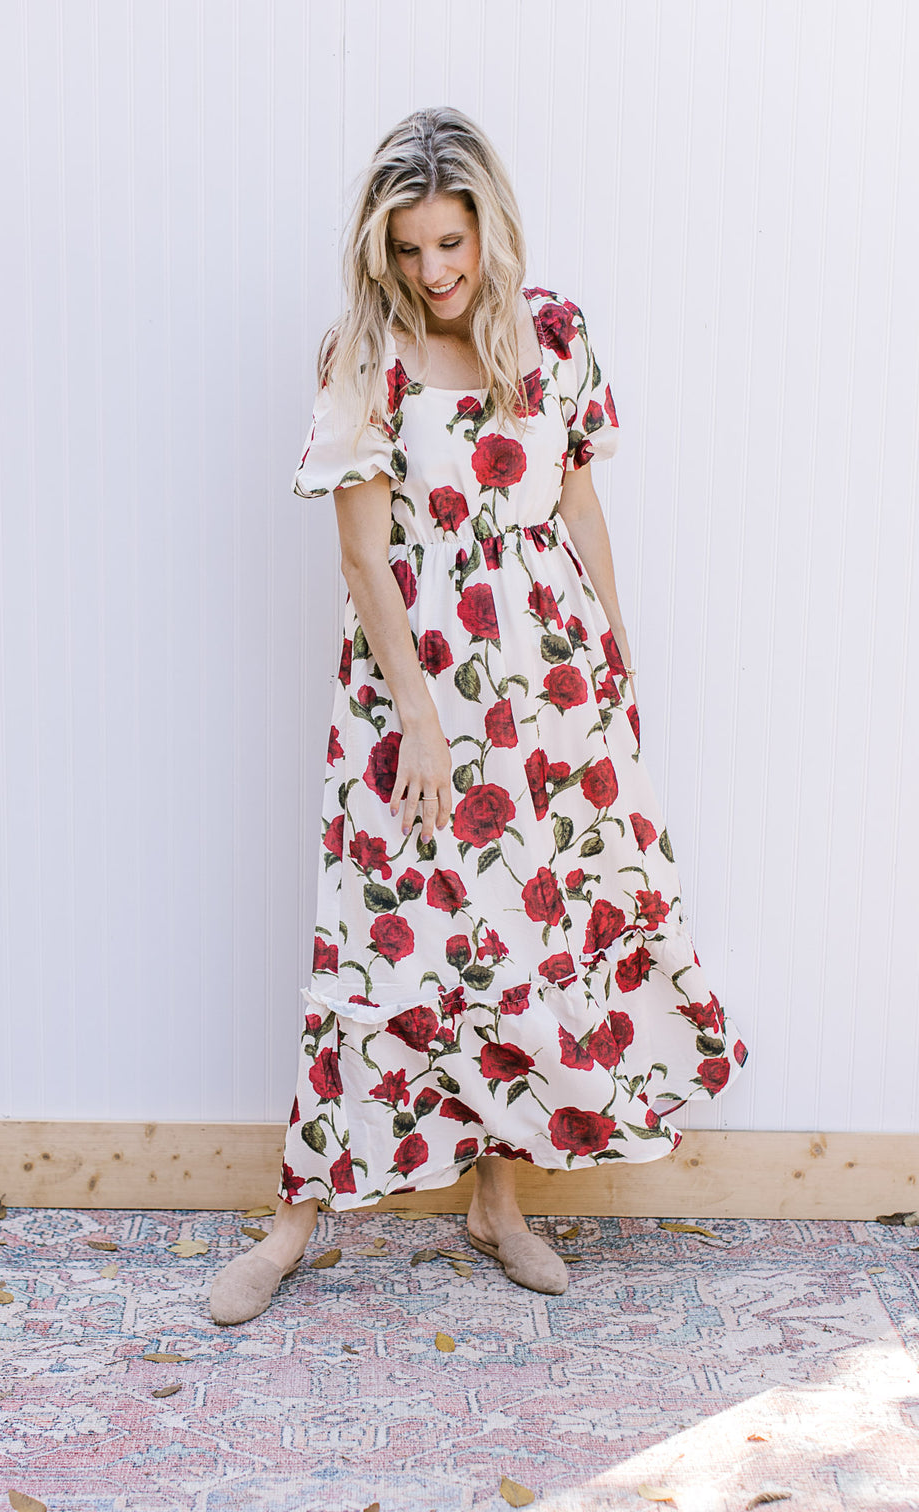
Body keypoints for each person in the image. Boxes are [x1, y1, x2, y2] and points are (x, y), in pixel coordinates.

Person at [209, 105, 750, 1326]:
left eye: (449, 243)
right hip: (415, 692)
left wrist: (616, 665)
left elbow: (580, 512)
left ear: (486, 228)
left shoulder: (552, 335)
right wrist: (420, 716)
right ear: (380, 252)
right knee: (378, 939)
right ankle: (293, 1219)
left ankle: (497, 1202)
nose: (432, 272)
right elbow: (361, 559)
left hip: (546, 686)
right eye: (408, 250)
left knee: (511, 933)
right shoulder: (362, 356)